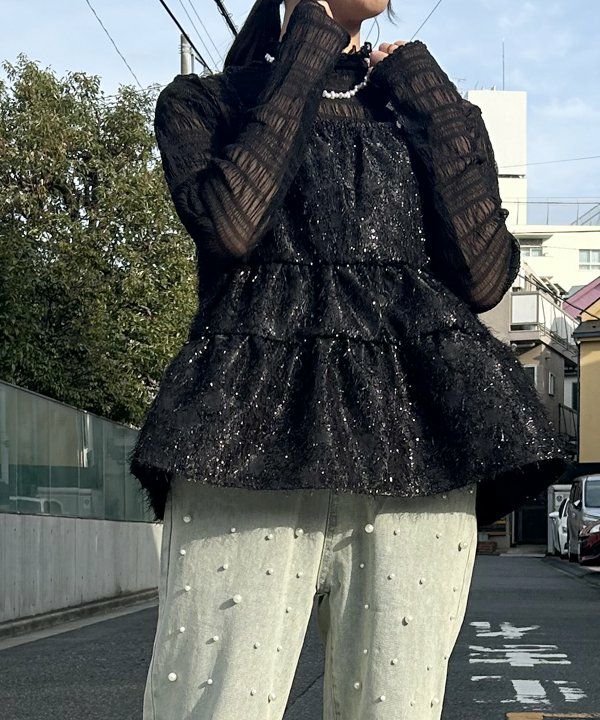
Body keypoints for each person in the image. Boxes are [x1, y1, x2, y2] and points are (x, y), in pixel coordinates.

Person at [130, 1, 575, 718]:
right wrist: (313, 38)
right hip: (243, 444)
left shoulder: (413, 107)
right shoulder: (207, 102)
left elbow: (486, 277)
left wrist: (428, 93)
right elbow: (233, 224)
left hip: (416, 450)